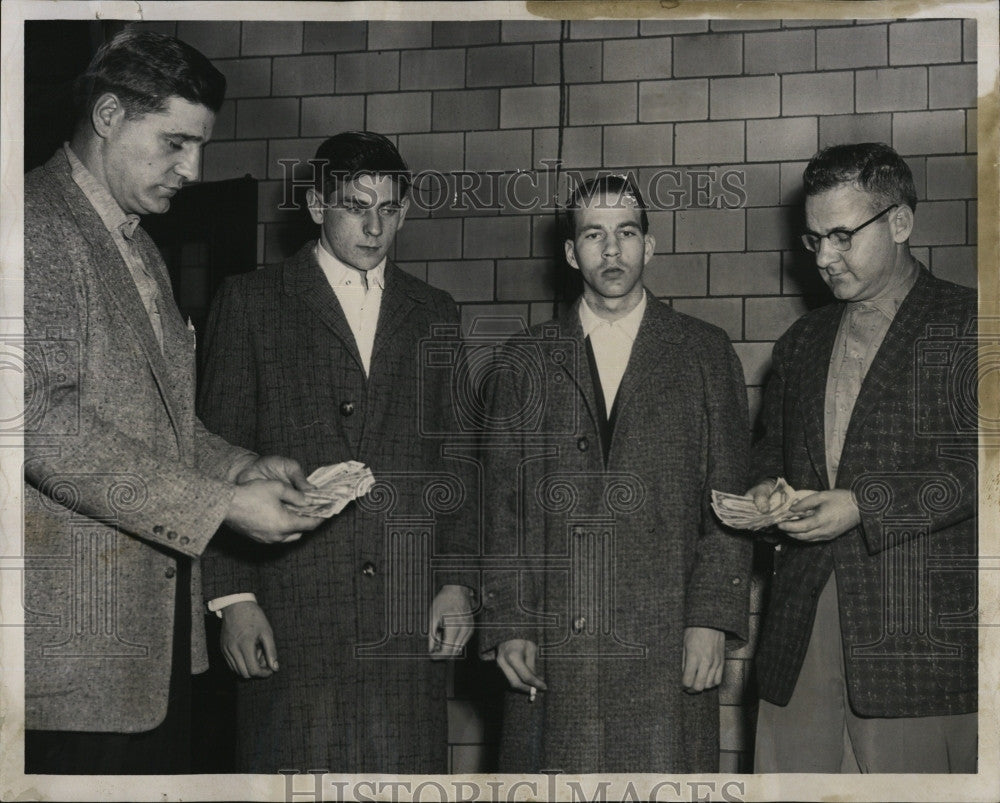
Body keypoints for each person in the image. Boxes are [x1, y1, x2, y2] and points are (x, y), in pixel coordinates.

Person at [22, 30, 322, 775]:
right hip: (69, 667)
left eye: (200, 146)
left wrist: (241, 465)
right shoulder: (34, 227)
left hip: (143, 658)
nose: (194, 169)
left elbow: (156, 419)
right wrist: (217, 506)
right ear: (109, 116)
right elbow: (37, 422)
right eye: (176, 143)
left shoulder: (136, 242)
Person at [197, 131, 476, 773]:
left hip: (405, 616)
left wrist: (458, 581)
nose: (375, 227)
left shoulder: (435, 311)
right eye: (356, 205)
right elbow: (213, 455)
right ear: (318, 206)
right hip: (291, 612)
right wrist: (234, 602)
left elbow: (457, 460)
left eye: (390, 208)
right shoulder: (251, 302)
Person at [477, 174, 752, 773]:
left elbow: (730, 501)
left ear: (649, 247)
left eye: (626, 233)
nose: (611, 250)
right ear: (571, 252)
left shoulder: (704, 353)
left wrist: (711, 618)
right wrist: (508, 619)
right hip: (554, 642)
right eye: (594, 235)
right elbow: (502, 507)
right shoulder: (523, 362)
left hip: (665, 639)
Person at [748, 142, 978, 773]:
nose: (825, 257)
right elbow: (767, 453)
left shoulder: (971, 324)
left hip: (917, 650)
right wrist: (767, 491)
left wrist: (865, 505)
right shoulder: (799, 342)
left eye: (843, 235)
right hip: (799, 641)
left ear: (900, 223)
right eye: (815, 238)